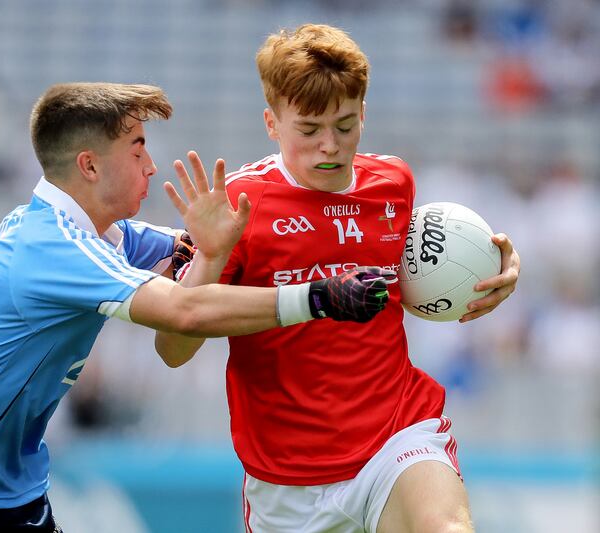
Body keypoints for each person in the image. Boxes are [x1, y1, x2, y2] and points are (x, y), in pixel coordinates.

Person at [0, 81, 396, 533]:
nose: (151, 163)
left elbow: (211, 252)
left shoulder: (99, 233)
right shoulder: (50, 248)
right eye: (138, 148)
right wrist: (322, 296)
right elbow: (183, 313)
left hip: (7, 490)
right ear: (90, 165)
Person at [156, 24, 521, 533]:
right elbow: (172, 348)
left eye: (346, 125)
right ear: (272, 123)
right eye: (308, 130)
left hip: (395, 439)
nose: (330, 145)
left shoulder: (394, 183)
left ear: (363, 115)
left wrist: (487, 275)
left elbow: (419, 279)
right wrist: (211, 256)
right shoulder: (236, 205)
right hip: (286, 482)